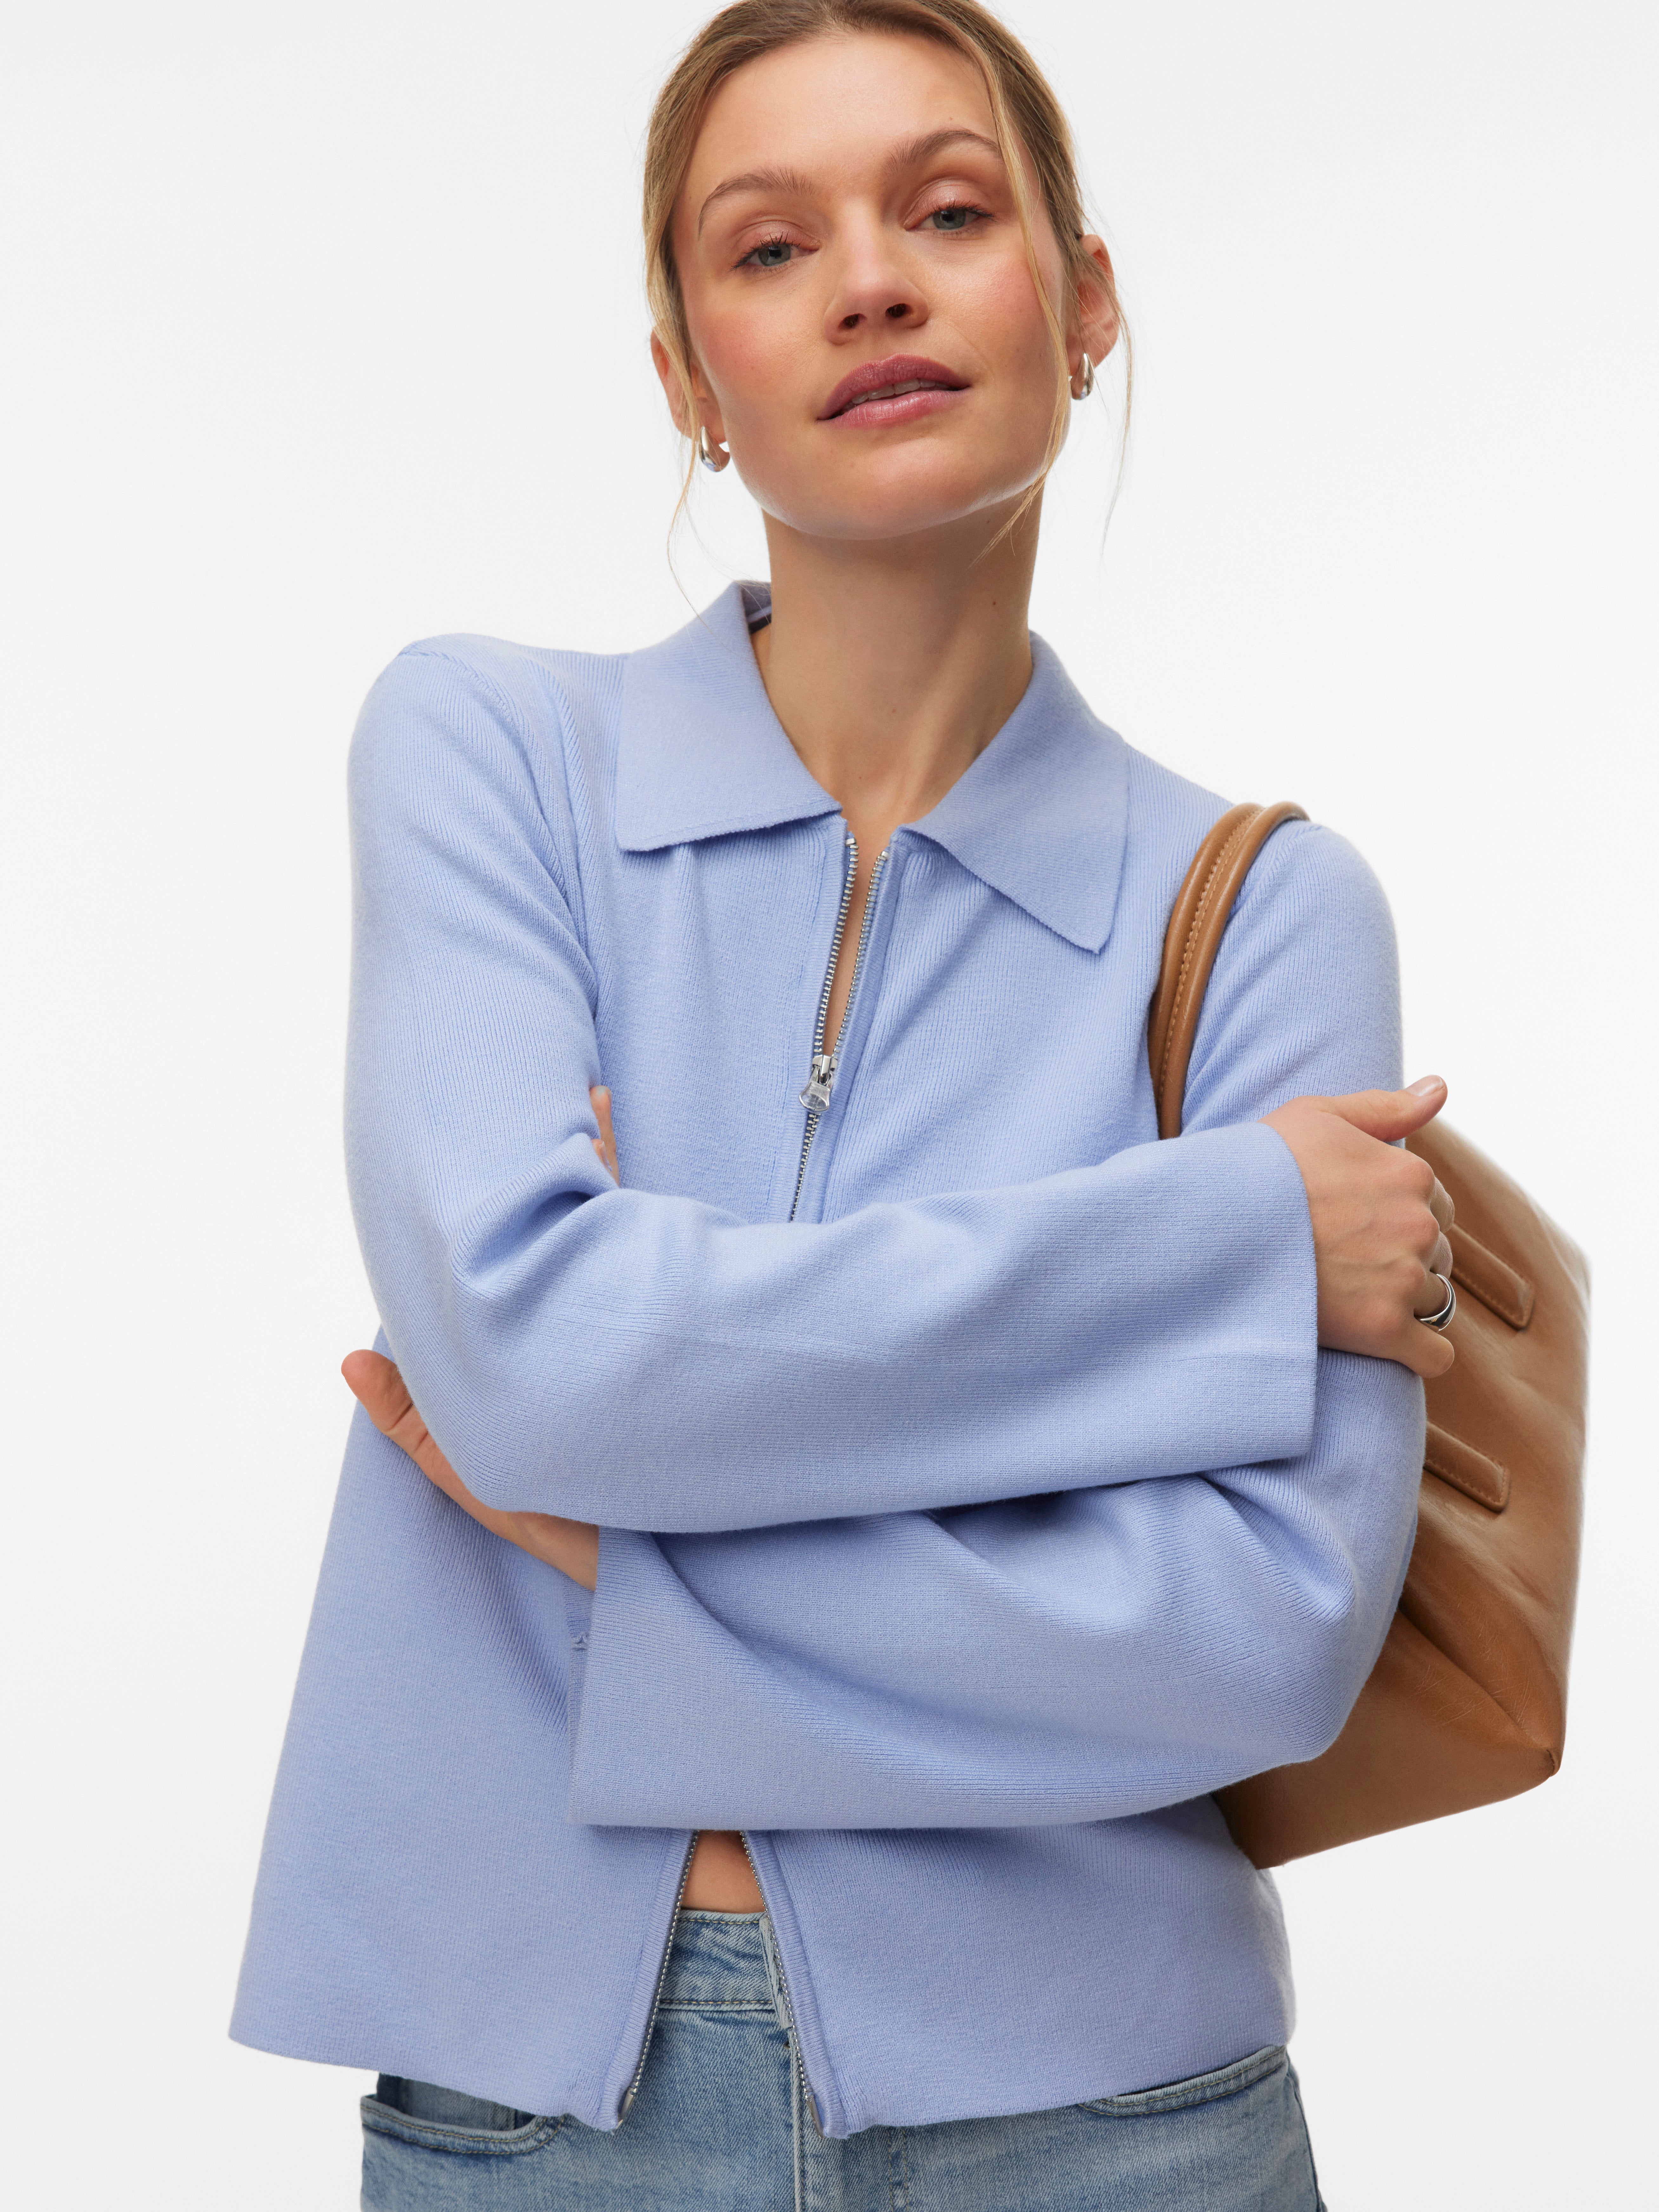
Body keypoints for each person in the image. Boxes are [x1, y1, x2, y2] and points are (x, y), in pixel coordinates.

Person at [232, 3, 1459, 2204]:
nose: (872, 283)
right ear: (688, 381)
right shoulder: (491, 756)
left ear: (1086, 303)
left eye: (950, 211)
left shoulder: (1265, 912)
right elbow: (530, 1358)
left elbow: (1261, 1643)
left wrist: (615, 1537)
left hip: (1119, 2125)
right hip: (539, 2117)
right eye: (772, 245)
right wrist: (1222, 1239)